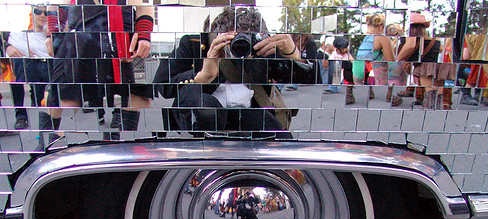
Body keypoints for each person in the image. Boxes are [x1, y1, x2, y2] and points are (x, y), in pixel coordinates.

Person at [154, 7, 316, 133]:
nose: (240, 47)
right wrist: (202, 76)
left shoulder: (262, 49)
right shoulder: (194, 44)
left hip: (248, 116)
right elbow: (163, 86)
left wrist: (293, 54)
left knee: (272, 129)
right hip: (200, 119)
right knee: (207, 110)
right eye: (232, 40)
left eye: (246, 39)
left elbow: (305, 84)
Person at [40, 0, 153, 148]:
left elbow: (143, 6)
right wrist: (52, 34)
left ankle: (119, 145)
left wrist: (144, 35)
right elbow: (57, 6)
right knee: (67, 94)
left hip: (121, 37)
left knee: (137, 95)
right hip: (82, 35)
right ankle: (46, 145)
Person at [4, 6, 51, 129]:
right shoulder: (16, 21)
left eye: (45, 13)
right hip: (21, 60)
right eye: (37, 11)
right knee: (16, 77)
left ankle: (40, 113)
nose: (42, 15)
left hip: (43, 62)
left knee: (40, 97)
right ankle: (21, 116)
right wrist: (7, 46)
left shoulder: (50, 28)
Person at [353, 13, 404, 106]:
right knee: (393, 64)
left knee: (374, 58)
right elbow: (391, 60)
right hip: (370, 74)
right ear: (381, 26)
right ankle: (390, 94)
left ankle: (369, 91)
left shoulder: (363, 37)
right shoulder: (382, 38)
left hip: (357, 75)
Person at [397, 13, 442, 109]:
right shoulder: (434, 39)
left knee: (431, 95)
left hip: (425, 67)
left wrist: (397, 59)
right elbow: (441, 49)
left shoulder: (412, 38)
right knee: (437, 95)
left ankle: (431, 115)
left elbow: (410, 46)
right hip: (439, 66)